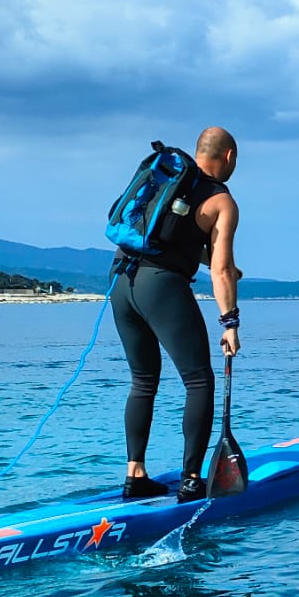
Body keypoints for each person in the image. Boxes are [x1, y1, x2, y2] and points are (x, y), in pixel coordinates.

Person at [110, 126, 241, 501]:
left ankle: (135, 476)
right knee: (199, 380)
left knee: (143, 380)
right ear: (229, 157)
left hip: (121, 279)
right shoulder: (221, 201)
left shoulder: (166, 178)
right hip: (162, 287)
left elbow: (173, 237)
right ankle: (190, 480)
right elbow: (219, 271)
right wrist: (230, 322)